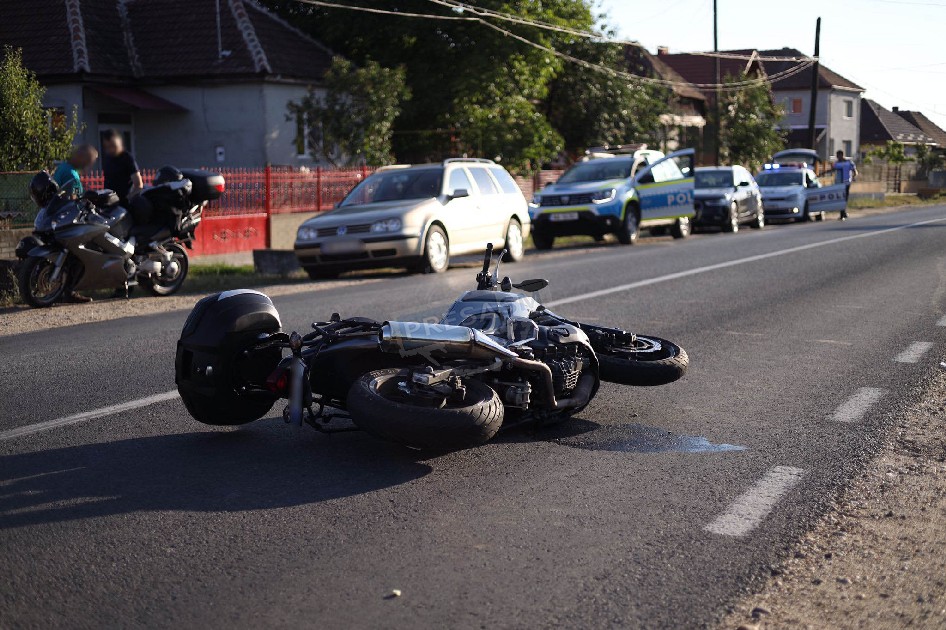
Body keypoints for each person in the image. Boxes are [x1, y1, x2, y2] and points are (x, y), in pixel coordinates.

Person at [101, 129, 143, 207]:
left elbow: (138, 184)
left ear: (119, 143)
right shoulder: (108, 159)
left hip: (124, 204)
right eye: (107, 147)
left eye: (113, 146)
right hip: (110, 203)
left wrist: (128, 198)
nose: (111, 149)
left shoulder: (127, 158)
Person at [834, 149, 858, 221]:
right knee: (841, 198)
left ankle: (842, 214)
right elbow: (833, 169)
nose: (837, 157)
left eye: (838, 156)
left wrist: (854, 177)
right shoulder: (837, 163)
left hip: (847, 183)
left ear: (841, 155)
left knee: (844, 198)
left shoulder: (848, 162)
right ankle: (843, 213)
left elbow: (855, 171)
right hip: (839, 183)